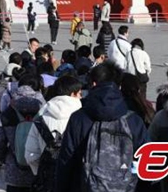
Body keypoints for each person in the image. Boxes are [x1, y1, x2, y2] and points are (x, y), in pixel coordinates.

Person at [54, 62, 148, 192]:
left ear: (93, 84)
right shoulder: (134, 120)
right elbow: (145, 162)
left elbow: (66, 161)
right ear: (119, 86)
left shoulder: (79, 118)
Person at [0, 73, 47, 191]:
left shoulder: (7, 113)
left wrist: (3, 158)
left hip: (15, 172)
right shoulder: (46, 111)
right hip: (40, 171)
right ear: (39, 88)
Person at [23, 75, 82, 178]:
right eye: (80, 94)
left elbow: (30, 155)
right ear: (73, 94)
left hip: (48, 179)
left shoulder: (41, 118)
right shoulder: (83, 119)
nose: (81, 97)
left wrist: (42, 172)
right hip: (75, 180)